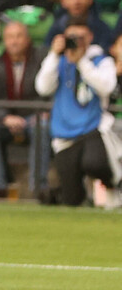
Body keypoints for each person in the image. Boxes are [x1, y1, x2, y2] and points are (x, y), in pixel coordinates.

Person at [35, 15, 121, 206]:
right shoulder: (58, 61)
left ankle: (114, 184)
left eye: (80, 37)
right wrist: (54, 55)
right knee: (71, 198)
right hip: (64, 133)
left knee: (95, 164)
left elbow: (106, 87)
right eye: (71, 37)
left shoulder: (100, 60)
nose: (76, 41)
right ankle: (79, 197)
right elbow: (42, 87)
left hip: (93, 128)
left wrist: (82, 62)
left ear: (90, 36)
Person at [0, 21, 49, 198]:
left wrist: (40, 113)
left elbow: (50, 90)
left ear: (28, 39)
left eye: (18, 36)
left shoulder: (42, 59)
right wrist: (5, 118)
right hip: (7, 119)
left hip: (36, 116)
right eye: (9, 37)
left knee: (43, 126)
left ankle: (38, 187)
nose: (14, 41)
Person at [45, 0, 114, 51]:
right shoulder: (56, 28)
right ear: (63, 1)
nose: (77, 1)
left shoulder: (101, 28)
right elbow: (47, 49)